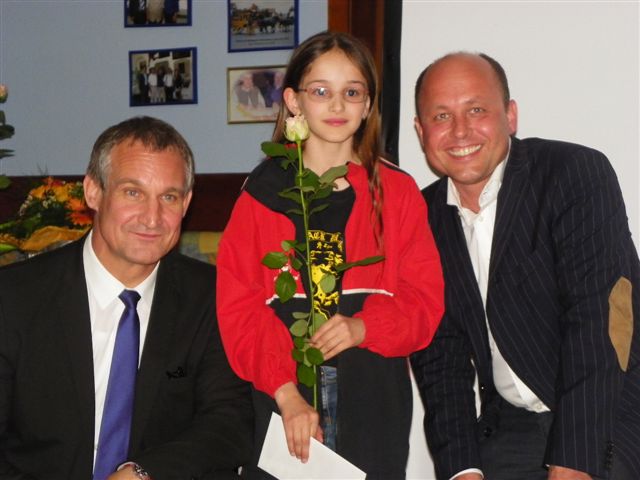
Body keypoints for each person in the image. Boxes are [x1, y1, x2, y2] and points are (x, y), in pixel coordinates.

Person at [216, 31, 445, 479]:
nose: (337, 105)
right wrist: (287, 396)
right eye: (321, 91)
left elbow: (424, 302)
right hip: (286, 401)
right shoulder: (260, 194)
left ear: (368, 104)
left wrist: (364, 327)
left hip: (371, 399)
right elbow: (239, 310)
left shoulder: (397, 193)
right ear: (294, 101)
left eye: (352, 92)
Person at [410, 52, 640, 480]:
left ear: (510, 115)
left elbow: (602, 319)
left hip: (607, 415)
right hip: (510, 428)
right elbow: (439, 358)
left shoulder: (572, 174)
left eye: (476, 110)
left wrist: (574, 461)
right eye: (441, 116)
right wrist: (462, 469)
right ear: (421, 132)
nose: (459, 130)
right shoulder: (422, 216)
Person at [0, 116, 254, 479]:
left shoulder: (211, 297)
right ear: (93, 191)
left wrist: (142, 473)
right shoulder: (14, 298)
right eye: (133, 192)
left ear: (186, 203)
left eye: (169, 197)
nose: (152, 218)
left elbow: (229, 422)